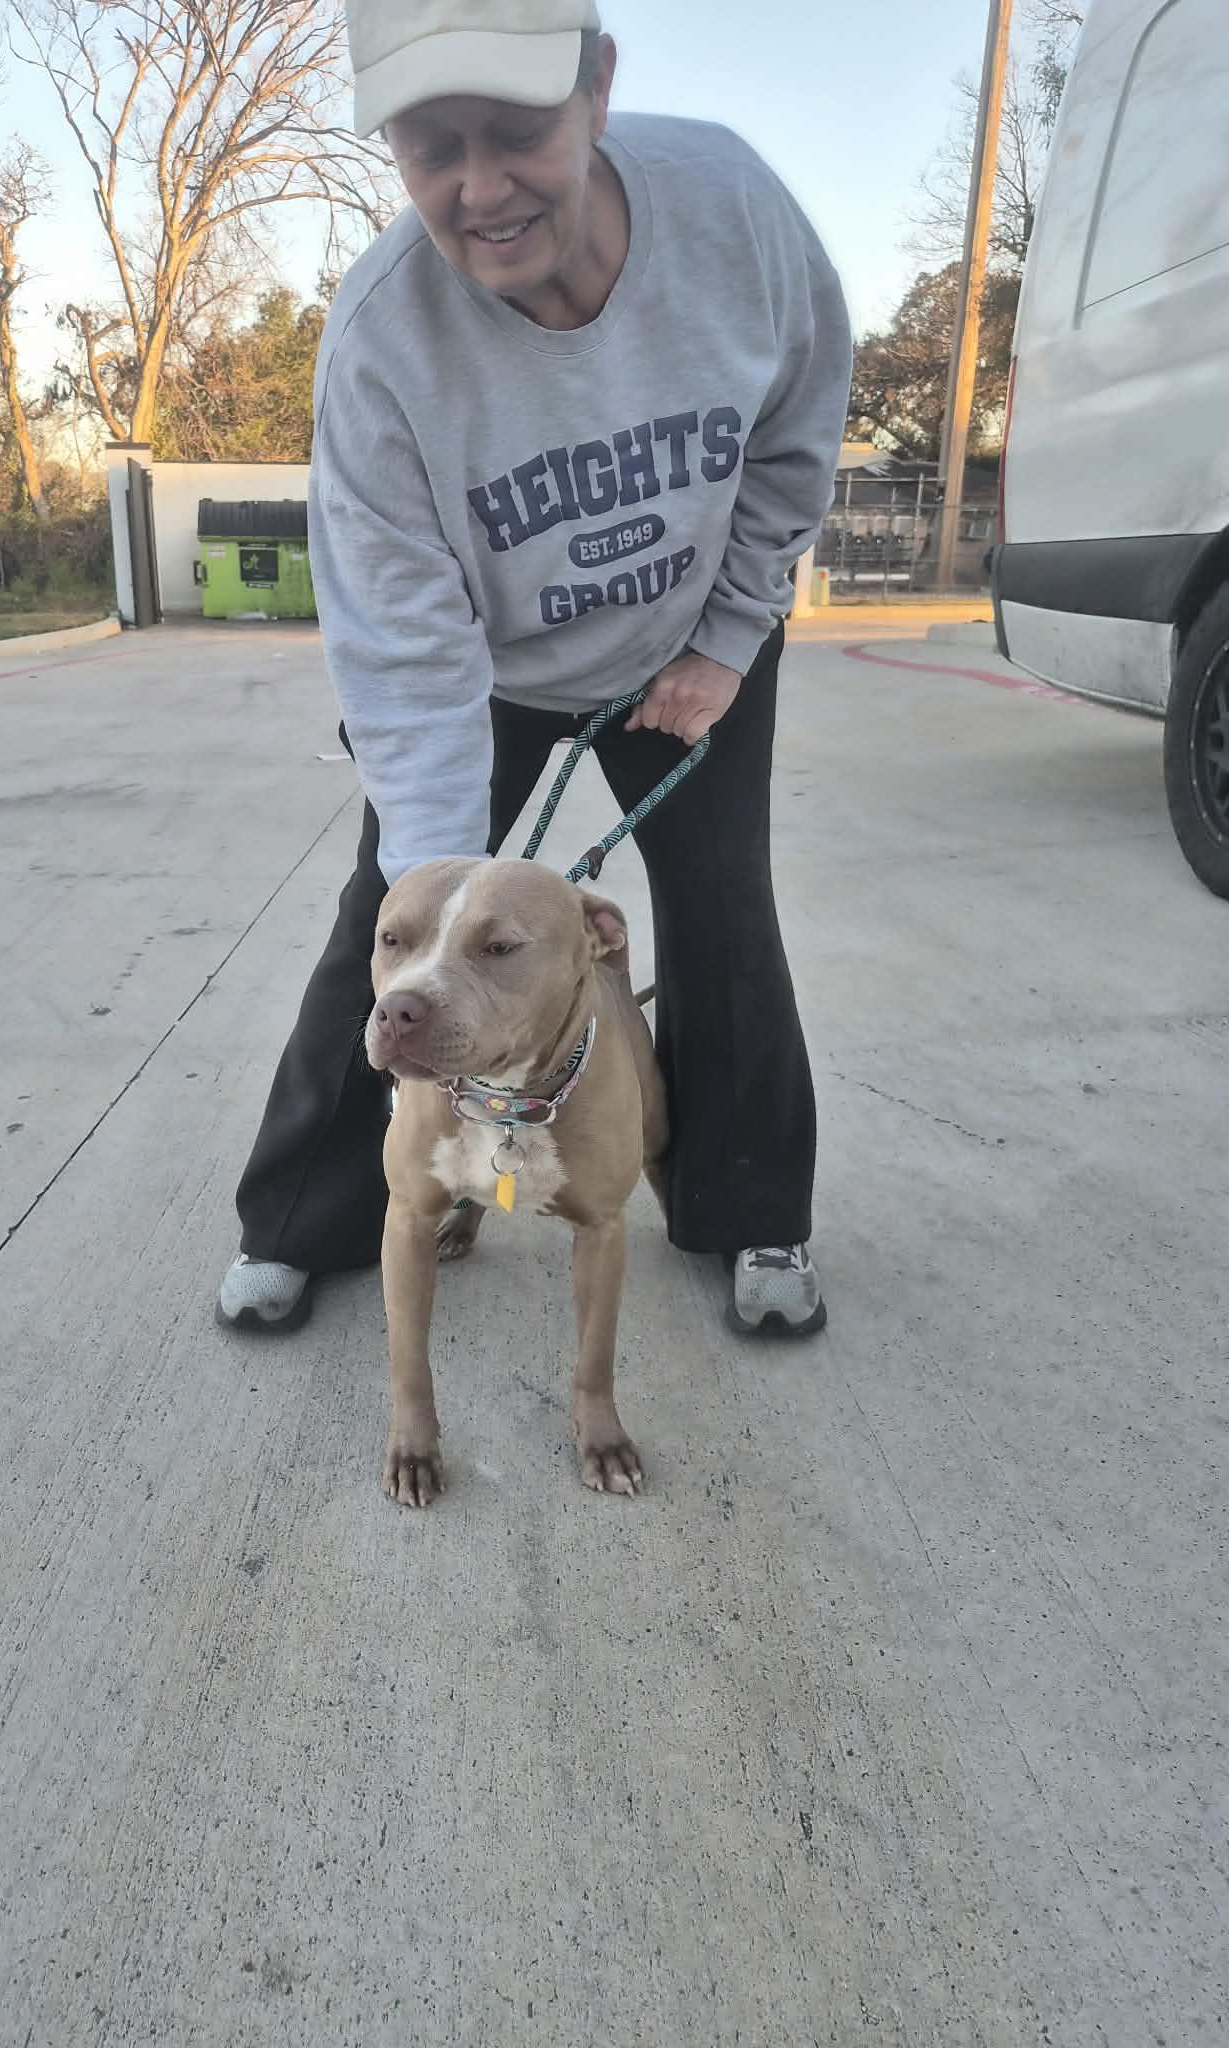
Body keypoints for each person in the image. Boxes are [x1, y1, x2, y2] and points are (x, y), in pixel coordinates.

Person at [218, 0, 852, 1339]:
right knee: (390, 929)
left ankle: (750, 1212)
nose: (478, 187)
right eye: (429, 146)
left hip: (688, 645)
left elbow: (797, 433)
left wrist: (731, 636)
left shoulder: (735, 216)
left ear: (598, 88)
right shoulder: (386, 341)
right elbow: (401, 638)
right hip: (485, 669)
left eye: (515, 133)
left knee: (724, 905)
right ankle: (307, 1217)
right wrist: (449, 928)